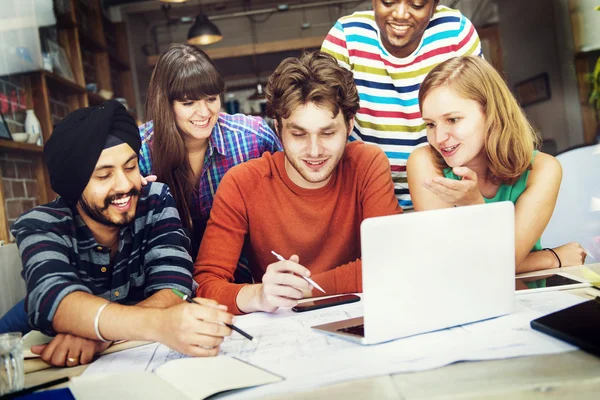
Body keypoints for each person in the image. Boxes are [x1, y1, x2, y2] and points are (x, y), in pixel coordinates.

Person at [6, 100, 233, 367]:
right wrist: (157, 324)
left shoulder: (155, 201)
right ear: (74, 186)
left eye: (130, 167)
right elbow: (54, 298)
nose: (125, 185)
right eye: (104, 176)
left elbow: (175, 287)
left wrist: (99, 335)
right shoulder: (41, 224)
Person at [193, 51, 402, 314]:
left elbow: (393, 262)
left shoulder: (367, 164)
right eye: (298, 134)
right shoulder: (242, 183)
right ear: (278, 129)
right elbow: (204, 286)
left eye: (327, 133)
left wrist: (305, 288)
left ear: (349, 125)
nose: (314, 151)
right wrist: (258, 294)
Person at [406, 56, 587, 273]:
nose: (440, 137)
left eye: (452, 119)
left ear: (491, 114)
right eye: (431, 124)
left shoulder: (543, 169)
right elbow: (450, 268)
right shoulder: (424, 163)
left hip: (530, 297)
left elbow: (500, 264)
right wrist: (551, 258)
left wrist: (473, 204)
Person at [321, 0, 482, 209]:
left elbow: (481, 112)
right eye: (388, 1)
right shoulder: (345, 37)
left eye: (416, 5)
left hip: (445, 191)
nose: (400, 14)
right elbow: (324, 120)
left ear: (434, 5)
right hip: (365, 193)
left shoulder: (456, 33)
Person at [138, 43, 282, 269]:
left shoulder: (253, 137)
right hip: (164, 274)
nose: (204, 113)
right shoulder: (139, 151)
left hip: (246, 274)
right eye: (188, 103)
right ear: (165, 104)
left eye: (211, 99)